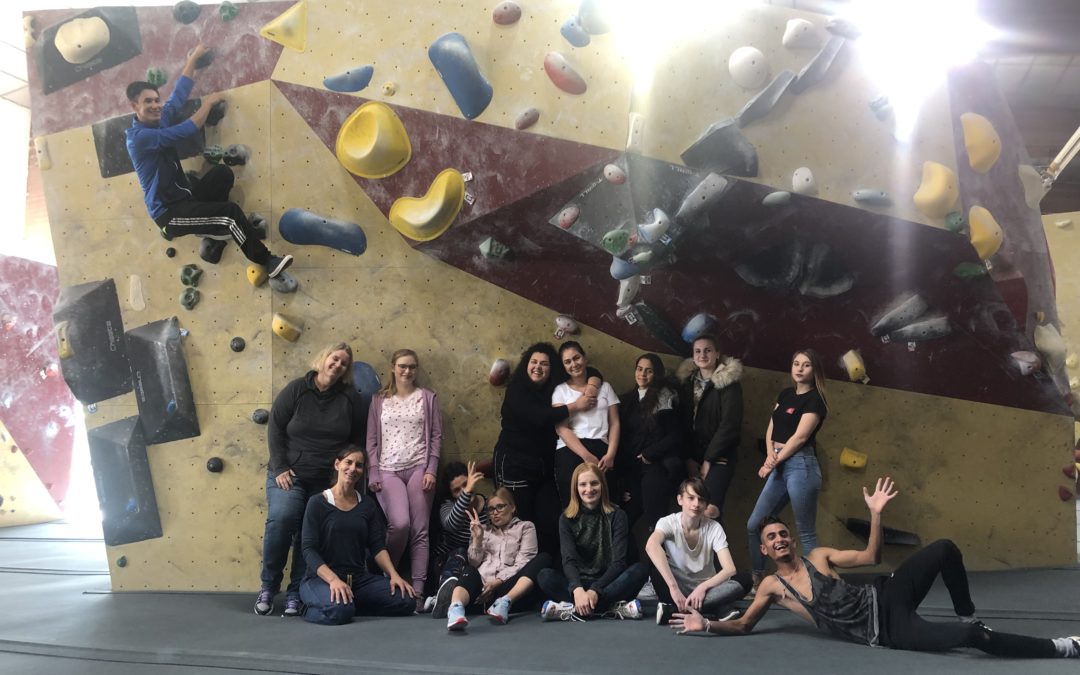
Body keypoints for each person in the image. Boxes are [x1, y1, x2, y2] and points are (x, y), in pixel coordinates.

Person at [670, 478, 1080, 661]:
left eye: (784, 533)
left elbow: (871, 557)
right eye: (772, 537)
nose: (780, 539)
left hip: (887, 592)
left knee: (945, 549)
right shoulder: (773, 588)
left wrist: (876, 515)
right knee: (975, 640)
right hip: (886, 631)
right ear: (764, 548)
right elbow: (742, 626)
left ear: (791, 539)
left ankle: (965, 610)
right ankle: (1061, 647)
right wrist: (704, 626)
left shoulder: (820, 557)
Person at [125, 44, 292, 278]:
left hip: (185, 199)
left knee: (223, 174)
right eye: (147, 102)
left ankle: (211, 225)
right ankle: (267, 261)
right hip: (170, 214)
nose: (155, 106)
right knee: (230, 214)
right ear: (134, 106)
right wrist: (208, 104)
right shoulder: (138, 139)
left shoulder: (158, 120)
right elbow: (186, 129)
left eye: (155, 100)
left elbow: (176, 96)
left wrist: (192, 59)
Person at [256, 342, 364, 617]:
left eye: (344, 363)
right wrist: (280, 466)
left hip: (326, 481)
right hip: (289, 474)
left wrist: (344, 476)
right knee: (282, 518)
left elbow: (358, 440)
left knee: (309, 533)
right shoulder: (297, 389)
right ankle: (268, 587)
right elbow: (276, 427)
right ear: (324, 357)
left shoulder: (350, 398)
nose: (338, 365)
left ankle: (296, 593)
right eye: (335, 358)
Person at [492, 342, 599, 556]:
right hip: (514, 466)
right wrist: (575, 406)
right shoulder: (517, 388)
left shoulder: (556, 387)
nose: (537, 367)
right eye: (533, 362)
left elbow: (592, 372)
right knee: (520, 523)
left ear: (553, 369)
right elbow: (537, 417)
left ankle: (545, 573)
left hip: (545, 468)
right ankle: (519, 580)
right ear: (526, 364)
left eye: (544, 364)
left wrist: (593, 385)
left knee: (550, 520)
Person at [298, 445, 416, 624]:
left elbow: (377, 546)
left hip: (358, 580)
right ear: (337, 464)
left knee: (406, 600)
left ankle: (350, 602)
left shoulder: (367, 504)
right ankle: (307, 607)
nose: (353, 468)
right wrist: (333, 580)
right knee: (339, 612)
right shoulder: (317, 503)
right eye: (348, 462)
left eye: (359, 465)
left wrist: (394, 575)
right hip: (321, 579)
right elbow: (308, 550)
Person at [746, 348, 828, 589]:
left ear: (815, 371)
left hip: (801, 465)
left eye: (806, 365)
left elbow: (801, 437)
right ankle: (758, 579)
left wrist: (774, 460)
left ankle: (819, 586)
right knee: (754, 525)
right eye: (796, 364)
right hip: (780, 463)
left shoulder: (816, 399)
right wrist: (771, 454)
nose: (799, 369)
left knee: (806, 532)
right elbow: (772, 427)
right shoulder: (785, 394)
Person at [367, 348, 443, 607]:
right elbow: (371, 440)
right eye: (402, 366)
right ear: (392, 368)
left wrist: (431, 469)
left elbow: (435, 438)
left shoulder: (428, 398)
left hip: (419, 468)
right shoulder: (379, 400)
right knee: (400, 525)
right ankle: (390, 576)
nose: (407, 371)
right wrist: (373, 472)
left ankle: (419, 592)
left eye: (412, 366)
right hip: (388, 470)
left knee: (420, 530)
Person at [537, 463, 649, 621]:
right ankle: (611, 608)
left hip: (609, 582)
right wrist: (577, 589)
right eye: (583, 484)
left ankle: (573, 608)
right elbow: (569, 560)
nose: (589, 489)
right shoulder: (566, 519)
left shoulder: (618, 515)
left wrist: (595, 590)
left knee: (641, 569)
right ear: (575, 488)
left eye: (594, 483)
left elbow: (619, 562)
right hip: (579, 584)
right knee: (544, 576)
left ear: (602, 485)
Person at [433, 488, 552, 631]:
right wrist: (477, 538)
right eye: (490, 509)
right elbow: (474, 562)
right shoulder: (482, 529)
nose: (495, 512)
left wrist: (497, 582)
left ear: (512, 507)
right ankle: (455, 610)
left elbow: (524, 562)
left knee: (544, 558)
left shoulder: (525, 527)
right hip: (482, 591)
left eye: (500, 507)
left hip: (508, 588)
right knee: (469, 570)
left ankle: (504, 603)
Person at [646, 477, 750, 625]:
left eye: (701, 500)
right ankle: (717, 607)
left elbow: (729, 569)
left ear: (706, 504)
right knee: (654, 567)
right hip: (678, 589)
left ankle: (677, 611)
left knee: (745, 579)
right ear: (680, 499)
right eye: (691, 498)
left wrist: (703, 587)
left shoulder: (714, 527)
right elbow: (651, 545)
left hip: (709, 590)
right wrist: (673, 588)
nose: (696, 504)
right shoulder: (667, 522)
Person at [677, 334, 743, 522]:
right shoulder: (686, 383)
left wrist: (709, 459)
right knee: (689, 513)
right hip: (692, 453)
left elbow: (730, 425)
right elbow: (683, 423)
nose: (702, 355)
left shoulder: (729, 384)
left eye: (708, 350)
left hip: (720, 455)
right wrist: (688, 457)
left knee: (709, 511)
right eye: (697, 351)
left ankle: (717, 552)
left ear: (717, 354)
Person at [619, 353, 684, 536]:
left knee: (655, 522)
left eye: (649, 371)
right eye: (639, 369)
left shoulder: (664, 398)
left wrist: (650, 453)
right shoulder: (628, 400)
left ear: (657, 374)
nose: (643, 374)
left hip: (655, 466)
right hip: (633, 470)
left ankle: (657, 565)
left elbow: (675, 436)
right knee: (626, 517)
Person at [552, 341, 620, 509]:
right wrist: (586, 455)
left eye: (577, 358)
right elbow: (561, 428)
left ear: (585, 358)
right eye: (567, 362)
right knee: (573, 508)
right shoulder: (560, 390)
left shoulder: (605, 387)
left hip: (603, 451)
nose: (574, 364)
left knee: (608, 506)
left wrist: (611, 454)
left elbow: (615, 423)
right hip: (571, 449)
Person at [423, 460, 489, 605]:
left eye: (466, 484)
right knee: (460, 552)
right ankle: (444, 595)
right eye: (457, 490)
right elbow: (452, 524)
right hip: (448, 561)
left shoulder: (488, 506)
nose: (464, 491)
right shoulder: (447, 507)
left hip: (477, 560)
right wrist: (466, 492)